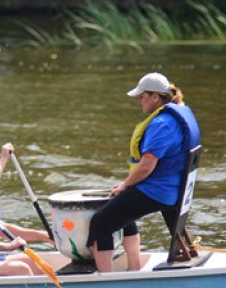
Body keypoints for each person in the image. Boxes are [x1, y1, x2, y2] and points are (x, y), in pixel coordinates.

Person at [86, 72, 200, 272]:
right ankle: (134, 268)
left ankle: (105, 280)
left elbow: (147, 166)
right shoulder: (174, 117)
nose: (139, 101)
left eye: (142, 96)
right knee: (121, 212)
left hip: (158, 192)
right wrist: (126, 187)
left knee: (100, 223)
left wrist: (125, 184)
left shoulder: (161, 124)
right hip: (174, 190)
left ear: (155, 96)